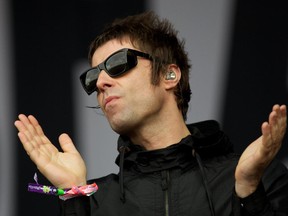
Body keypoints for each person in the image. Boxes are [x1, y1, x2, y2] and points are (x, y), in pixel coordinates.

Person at [14, 11, 288, 216]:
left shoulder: (257, 177)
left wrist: (250, 194)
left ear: (170, 74)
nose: (100, 82)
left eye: (118, 63)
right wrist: (72, 197)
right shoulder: (93, 200)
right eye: (92, 77)